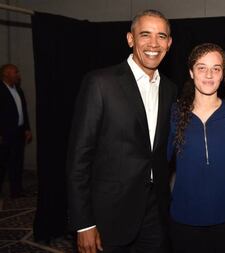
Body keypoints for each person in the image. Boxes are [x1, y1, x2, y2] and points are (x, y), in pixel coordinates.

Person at [66, 9, 176, 253]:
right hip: (109, 216)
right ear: (130, 39)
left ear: (169, 43)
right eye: (145, 35)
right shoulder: (100, 83)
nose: (153, 44)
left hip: (155, 214)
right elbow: (78, 159)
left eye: (161, 36)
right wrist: (84, 223)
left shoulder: (170, 89)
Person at [167, 43, 225, 253]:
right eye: (202, 68)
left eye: (216, 68)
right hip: (184, 220)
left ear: (222, 75)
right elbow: (159, 162)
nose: (209, 75)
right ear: (191, 72)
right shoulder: (174, 113)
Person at [0, 64, 32, 199]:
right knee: (1, 164)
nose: (18, 75)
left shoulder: (18, 89)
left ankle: (16, 191)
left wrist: (27, 129)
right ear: (6, 74)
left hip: (18, 133)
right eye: (15, 72)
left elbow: (23, 111)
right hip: (4, 134)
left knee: (17, 163)